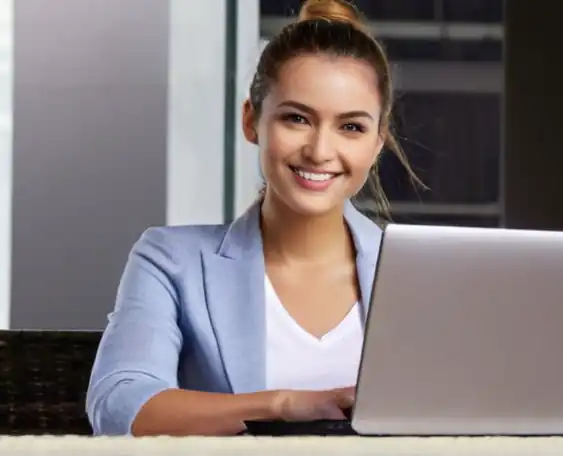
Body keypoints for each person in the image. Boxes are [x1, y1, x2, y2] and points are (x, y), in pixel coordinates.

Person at [86, 0, 420, 437]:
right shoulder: (172, 260)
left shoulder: (417, 276)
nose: (320, 151)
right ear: (252, 120)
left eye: (351, 127)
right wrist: (285, 404)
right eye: (297, 119)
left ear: (379, 141)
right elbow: (119, 406)